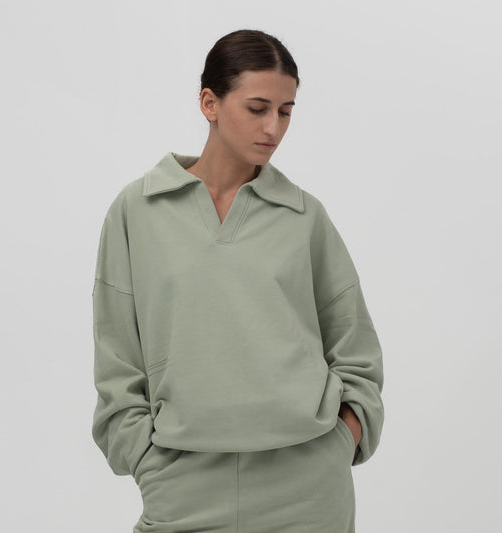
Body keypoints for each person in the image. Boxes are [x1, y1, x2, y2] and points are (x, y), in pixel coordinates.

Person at [91, 28, 384, 533]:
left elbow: (354, 346)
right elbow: (117, 351)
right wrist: (142, 456)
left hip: (308, 485)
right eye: (257, 108)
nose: (273, 127)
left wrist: (343, 438)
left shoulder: (304, 216)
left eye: (285, 111)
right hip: (181, 483)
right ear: (210, 102)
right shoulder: (137, 211)